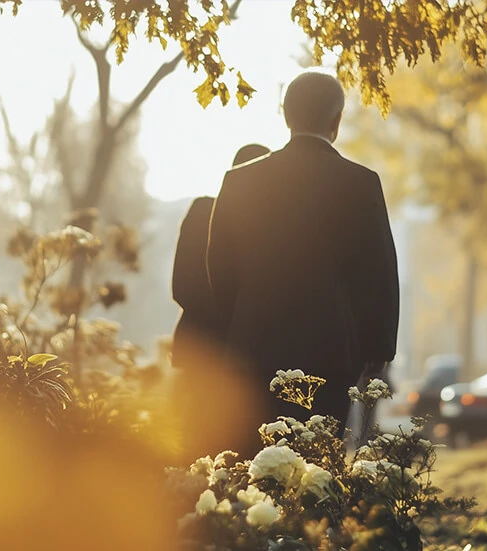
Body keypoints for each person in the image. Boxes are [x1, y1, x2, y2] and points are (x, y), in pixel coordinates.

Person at [207, 71, 399, 450]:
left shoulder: (239, 181)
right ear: (336, 120)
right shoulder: (360, 183)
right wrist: (378, 349)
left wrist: (240, 320)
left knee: (256, 461)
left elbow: (219, 267)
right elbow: (379, 273)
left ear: (285, 116)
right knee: (317, 466)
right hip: (330, 352)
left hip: (254, 348)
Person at [170, 143, 270, 456]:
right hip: (222, 349)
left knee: (203, 437)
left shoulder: (204, 211)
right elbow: (183, 285)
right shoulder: (210, 212)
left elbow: (181, 287)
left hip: (204, 344)